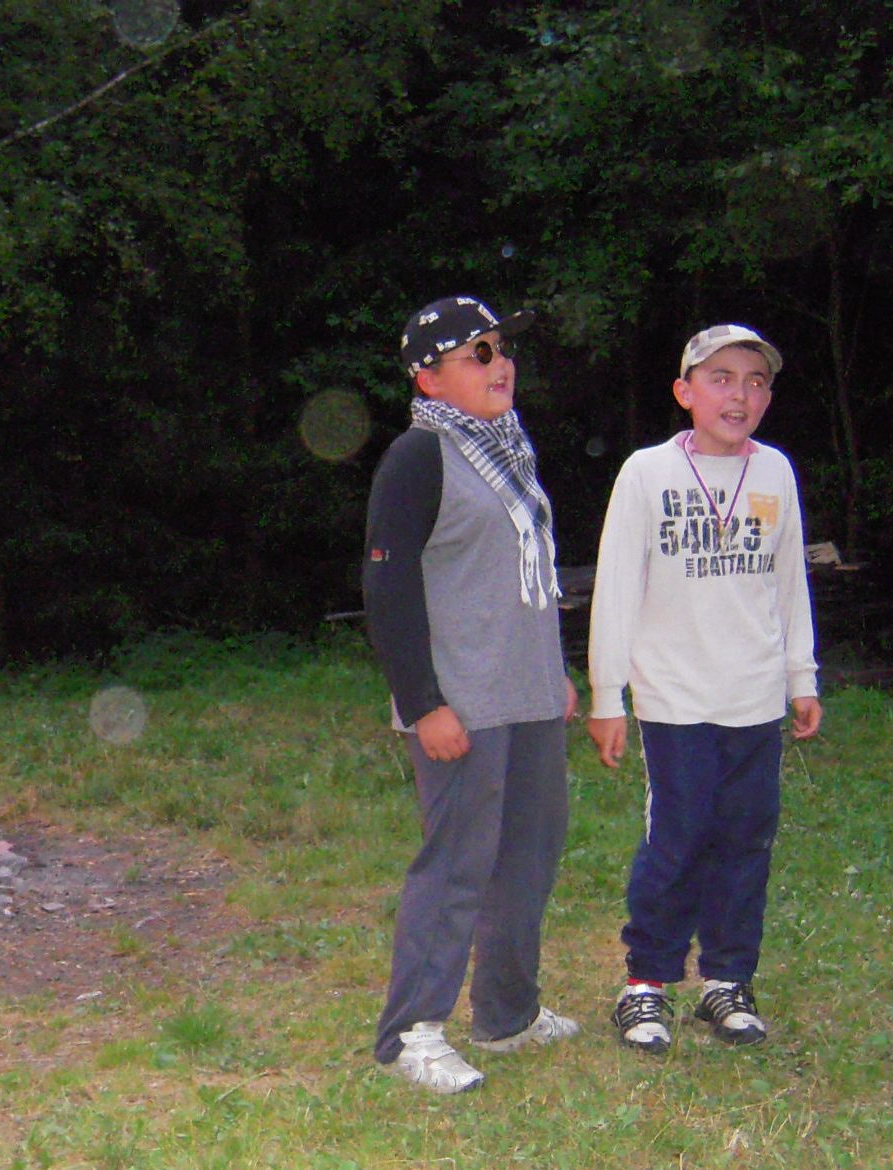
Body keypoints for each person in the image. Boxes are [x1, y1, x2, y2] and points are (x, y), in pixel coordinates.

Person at [362, 295, 580, 1095]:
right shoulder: (418, 456)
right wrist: (423, 703)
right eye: (477, 353)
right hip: (461, 702)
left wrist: (554, 673)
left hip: (526, 693)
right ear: (428, 378)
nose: (500, 364)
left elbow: (519, 580)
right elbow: (386, 587)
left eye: (502, 349)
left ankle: (506, 1014)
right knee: (455, 866)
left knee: (528, 854)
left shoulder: (507, 450)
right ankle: (411, 1034)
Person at [587, 323, 822, 1053]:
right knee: (678, 836)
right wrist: (606, 695)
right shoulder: (647, 473)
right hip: (674, 698)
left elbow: (789, 580)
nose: (739, 394)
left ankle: (727, 980)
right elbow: (616, 586)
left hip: (753, 694)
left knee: (745, 839)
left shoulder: (775, 471)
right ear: (684, 392)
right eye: (720, 378)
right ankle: (645, 984)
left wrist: (801, 674)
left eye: (755, 381)